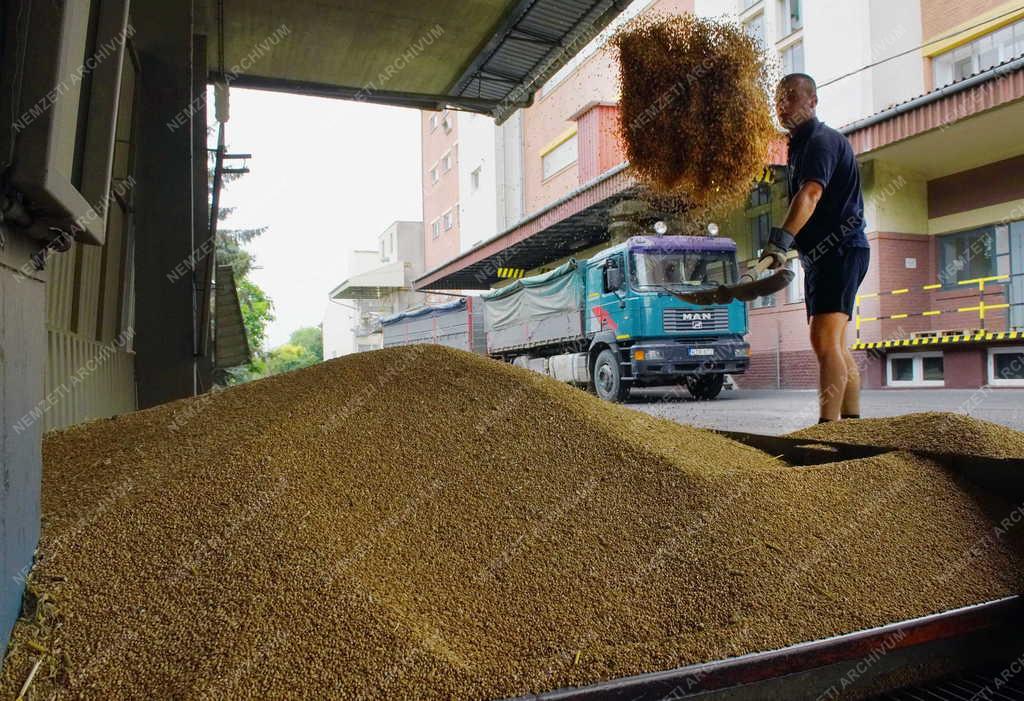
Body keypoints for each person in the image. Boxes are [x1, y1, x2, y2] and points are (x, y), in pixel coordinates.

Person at [761, 73, 870, 423]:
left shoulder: (822, 141)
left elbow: (810, 196)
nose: (783, 104)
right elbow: (804, 207)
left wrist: (780, 243)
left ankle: (828, 427)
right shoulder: (800, 147)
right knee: (835, 344)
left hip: (840, 251)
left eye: (791, 96)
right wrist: (792, 249)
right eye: (779, 98)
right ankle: (852, 426)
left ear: (812, 101)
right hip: (824, 256)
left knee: (824, 341)